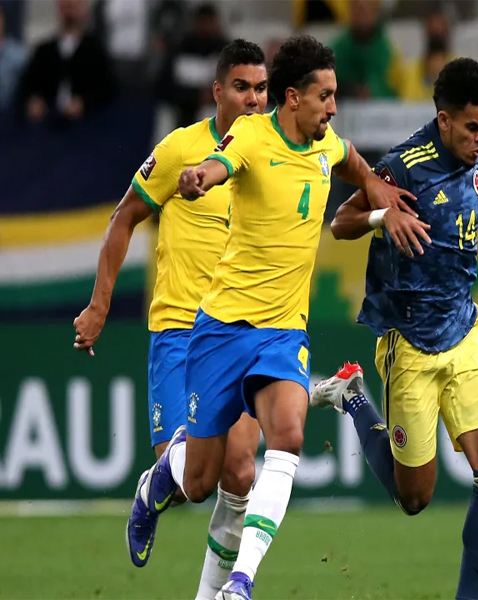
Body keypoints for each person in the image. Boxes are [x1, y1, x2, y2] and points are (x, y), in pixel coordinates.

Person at [122, 35, 412, 600]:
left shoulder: (325, 146)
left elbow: (352, 160)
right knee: (201, 481)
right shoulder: (254, 134)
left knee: (288, 437)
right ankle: (158, 480)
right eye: (324, 96)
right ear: (292, 98)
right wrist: (200, 177)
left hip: (281, 333)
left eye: (333, 96)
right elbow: (221, 161)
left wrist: (379, 189)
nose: (333, 107)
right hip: (220, 332)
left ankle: (240, 581)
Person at [73, 39, 268, 600]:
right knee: (194, 481)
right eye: (241, 87)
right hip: (181, 330)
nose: (253, 99)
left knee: (240, 474)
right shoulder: (181, 149)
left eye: (260, 89)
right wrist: (99, 305)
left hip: (242, 331)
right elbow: (124, 218)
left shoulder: (272, 156)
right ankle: (155, 484)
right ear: (217, 91)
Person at [313, 58, 478, 600]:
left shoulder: (469, 155)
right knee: (414, 498)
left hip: (466, 329)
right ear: (443, 120)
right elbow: (342, 221)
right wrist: (383, 216)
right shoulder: (404, 165)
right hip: (411, 343)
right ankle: (353, 397)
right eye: (472, 127)